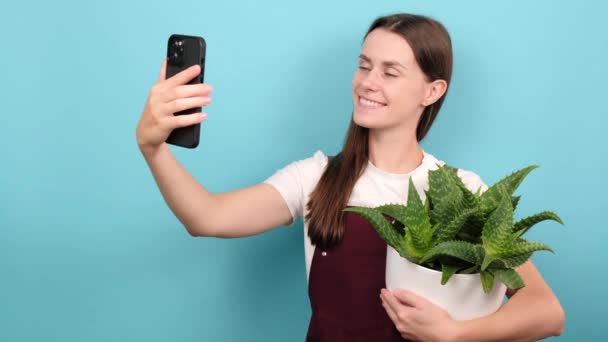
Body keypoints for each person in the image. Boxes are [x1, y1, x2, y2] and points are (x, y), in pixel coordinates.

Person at [136, 13, 565, 342]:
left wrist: (453, 334)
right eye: (364, 66)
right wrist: (152, 148)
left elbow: (546, 311)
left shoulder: (463, 192)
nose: (367, 83)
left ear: (432, 91)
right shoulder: (317, 178)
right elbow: (206, 218)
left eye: (390, 72)